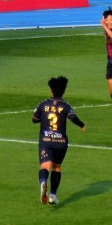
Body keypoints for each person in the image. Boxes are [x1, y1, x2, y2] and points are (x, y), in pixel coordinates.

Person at [31, 75, 86, 206]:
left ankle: (43, 181)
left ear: (51, 90)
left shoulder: (43, 104)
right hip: (61, 142)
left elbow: (34, 119)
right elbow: (73, 118)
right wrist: (82, 125)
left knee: (45, 166)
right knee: (56, 167)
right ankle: (52, 195)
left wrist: (43, 119)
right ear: (63, 91)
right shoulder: (66, 106)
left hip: (46, 140)